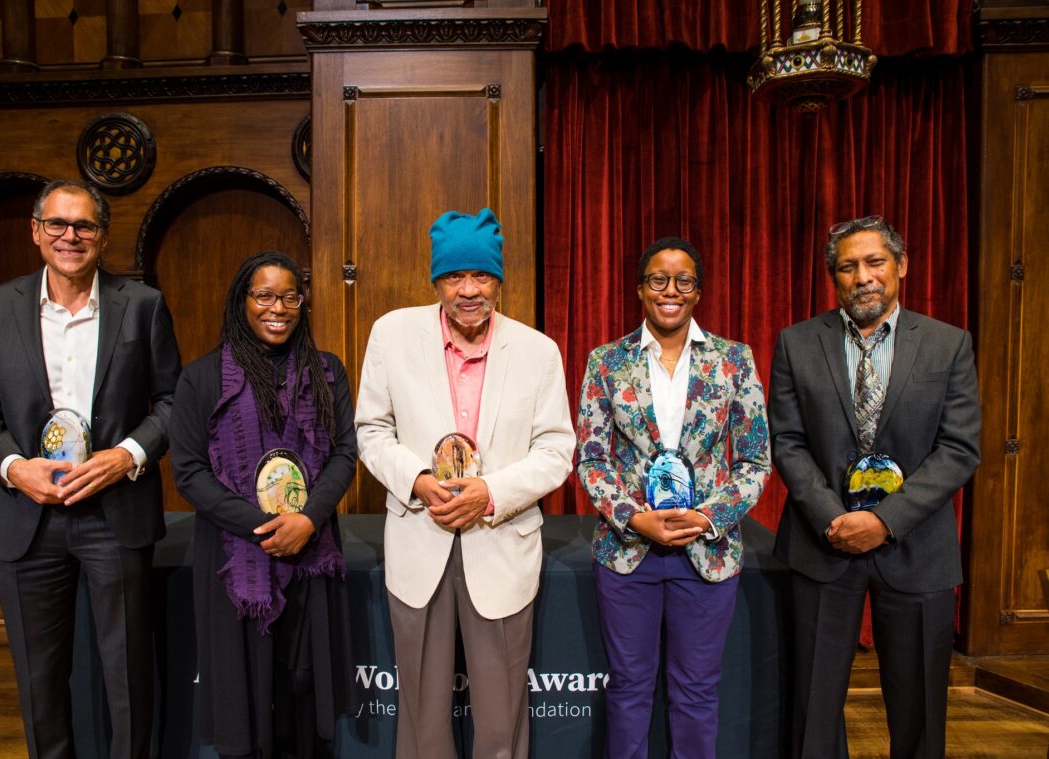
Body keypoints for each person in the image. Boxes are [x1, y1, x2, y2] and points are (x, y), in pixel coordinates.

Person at [0, 178, 181, 758]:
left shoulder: (143, 304)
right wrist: (13, 467)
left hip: (116, 513)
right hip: (28, 518)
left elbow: (173, 402)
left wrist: (124, 457)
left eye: (83, 226)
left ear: (102, 236)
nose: (70, 236)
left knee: (129, 677)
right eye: (57, 224)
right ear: (36, 232)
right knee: (40, 682)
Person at [355, 208, 576, 758]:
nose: (469, 290)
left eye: (481, 276)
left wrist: (492, 493)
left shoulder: (537, 351)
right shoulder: (392, 334)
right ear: (437, 281)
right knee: (422, 724)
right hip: (418, 543)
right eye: (455, 277)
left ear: (499, 280)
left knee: (501, 724)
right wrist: (418, 480)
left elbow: (557, 449)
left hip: (500, 545)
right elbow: (372, 430)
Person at [769, 216, 982, 759]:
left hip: (917, 548)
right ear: (833, 277)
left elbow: (958, 448)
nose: (862, 276)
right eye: (848, 266)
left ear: (900, 266)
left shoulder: (948, 344)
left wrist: (884, 520)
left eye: (875, 262)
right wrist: (834, 520)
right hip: (823, 545)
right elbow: (787, 442)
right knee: (811, 713)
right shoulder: (796, 343)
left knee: (920, 717)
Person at [576, 236, 771, 759]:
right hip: (626, 554)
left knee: (696, 692)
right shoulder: (606, 362)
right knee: (629, 689)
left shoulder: (734, 360)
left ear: (698, 292)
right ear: (640, 290)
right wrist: (635, 518)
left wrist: (708, 517)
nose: (671, 290)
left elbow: (755, 461)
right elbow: (592, 460)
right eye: (658, 280)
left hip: (707, 552)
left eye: (683, 281)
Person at [169, 251, 356, 758]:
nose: (279, 308)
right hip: (235, 558)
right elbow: (188, 472)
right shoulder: (202, 378)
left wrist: (308, 519)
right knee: (244, 698)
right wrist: (267, 526)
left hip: (312, 556)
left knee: (302, 685)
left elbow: (344, 453)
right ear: (242, 301)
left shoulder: (327, 371)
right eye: (264, 295)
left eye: (290, 296)